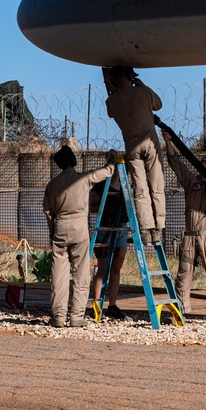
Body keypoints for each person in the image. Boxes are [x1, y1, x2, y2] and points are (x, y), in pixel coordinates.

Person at [162, 129, 206, 325]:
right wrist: (168, 141)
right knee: (184, 274)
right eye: (201, 159)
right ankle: (180, 311)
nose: (202, 161)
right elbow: (175, 162)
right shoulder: (191, 180)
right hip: (190, 236)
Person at [44, 145, 115, 327]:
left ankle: (58, 316)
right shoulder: (82, 178)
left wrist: (53, 232)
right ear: (73, 161)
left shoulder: (52, 185)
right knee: (81, 272)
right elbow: (107, 172)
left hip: (59, 227)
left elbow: (47, 212)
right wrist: (111, 158)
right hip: (79, 227)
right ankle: (76, 316)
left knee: (58, 274)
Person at [105, 66, 165, 241]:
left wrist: (114, 91)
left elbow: (111, 112)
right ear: (129, 76)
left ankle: (145, 229)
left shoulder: (111, 101)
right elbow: (158, 105)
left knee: (140, 188)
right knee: (156, 186)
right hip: (150, 143)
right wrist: (141, 85)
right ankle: (158, 228)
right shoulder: (143, 92)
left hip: (131, 146)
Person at [89, 169, 130, 319]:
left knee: (116, 268)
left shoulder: (126, 186)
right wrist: (106, 207)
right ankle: (96, 304)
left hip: (121, 229)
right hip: (105, 229)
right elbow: (92, 207)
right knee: (103, 267)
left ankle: (112, 305)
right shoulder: (100, 186)